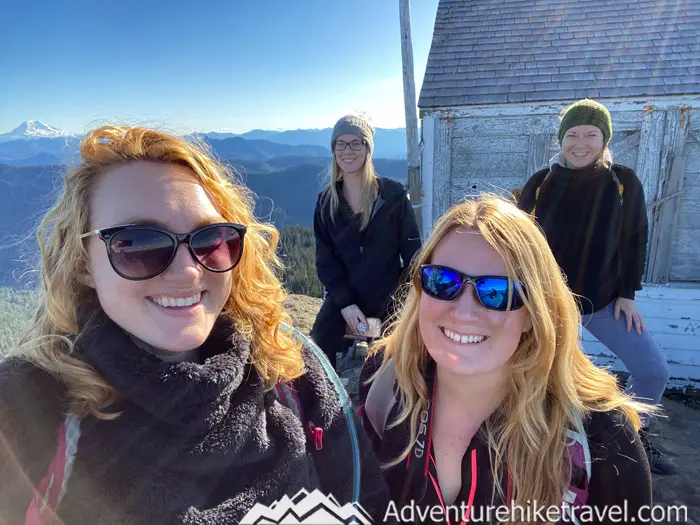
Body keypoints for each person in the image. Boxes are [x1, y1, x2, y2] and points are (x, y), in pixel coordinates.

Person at [0, 125, 391, 524]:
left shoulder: (291, 368)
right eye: (138, 244)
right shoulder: (28, 412)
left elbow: (368, 504)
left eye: (211, 240)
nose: (188, 272)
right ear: (83, 262)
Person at [359, 195, 653, 524]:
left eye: (496, 293)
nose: (464, 311)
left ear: (533, 314)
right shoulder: (385, 383)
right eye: (442, 282)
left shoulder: (602, 439)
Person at [517, 98, 675, 475]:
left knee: (653, 371)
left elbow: (635, 239)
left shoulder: (623, 182)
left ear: (604, 139)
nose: (581, 142)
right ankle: (541, 450)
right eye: (573, 134)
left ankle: (633, 440)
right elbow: (517, 242)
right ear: (561, 140)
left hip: (603, 304)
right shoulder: (540, 184)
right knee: (541, 381)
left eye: (591, 134)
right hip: (549, 305)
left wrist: (627, 294)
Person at [311, 114, 421, 369]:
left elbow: (414, 253)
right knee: (318, 342)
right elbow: (325, 260)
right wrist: (346, 304)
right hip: (346, 298)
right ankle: (325, 402)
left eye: (356, 143)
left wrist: (401, 300)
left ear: (368, 148)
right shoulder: (327, 201)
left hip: (389, 296)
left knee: (394, 354)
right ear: (333, 149)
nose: (347, 151)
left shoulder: (392, 195)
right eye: (341, 144)